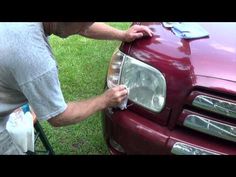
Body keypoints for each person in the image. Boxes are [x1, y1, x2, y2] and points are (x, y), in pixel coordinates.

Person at [0, 22, 153, 154]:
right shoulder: (37, 61)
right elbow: (59, 117)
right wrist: (104, 100)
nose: (88, 26)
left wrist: (122, 34)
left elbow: (81, 28)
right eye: (85, 23)